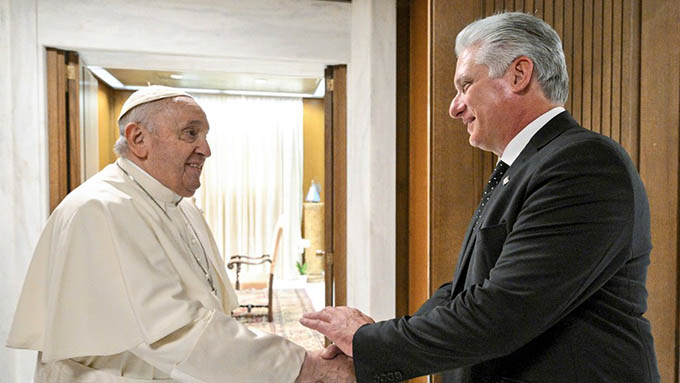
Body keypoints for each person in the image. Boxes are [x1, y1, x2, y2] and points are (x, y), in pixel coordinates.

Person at [301, 12, 660, 383]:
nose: (454, 107)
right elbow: (466, 291)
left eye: (465, 85)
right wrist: (374, 343)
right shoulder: (528, 164)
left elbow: (505, 310)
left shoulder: (582, 163)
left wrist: (369, 342)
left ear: (519, 75)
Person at [7, 85, 354, 383]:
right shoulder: (100, 209)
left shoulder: (181, 203)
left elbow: (205, 310)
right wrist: (306, 368)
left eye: (205, 135)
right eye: (191, 133)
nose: (206, 149)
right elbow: (172, 331)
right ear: (138, 138)